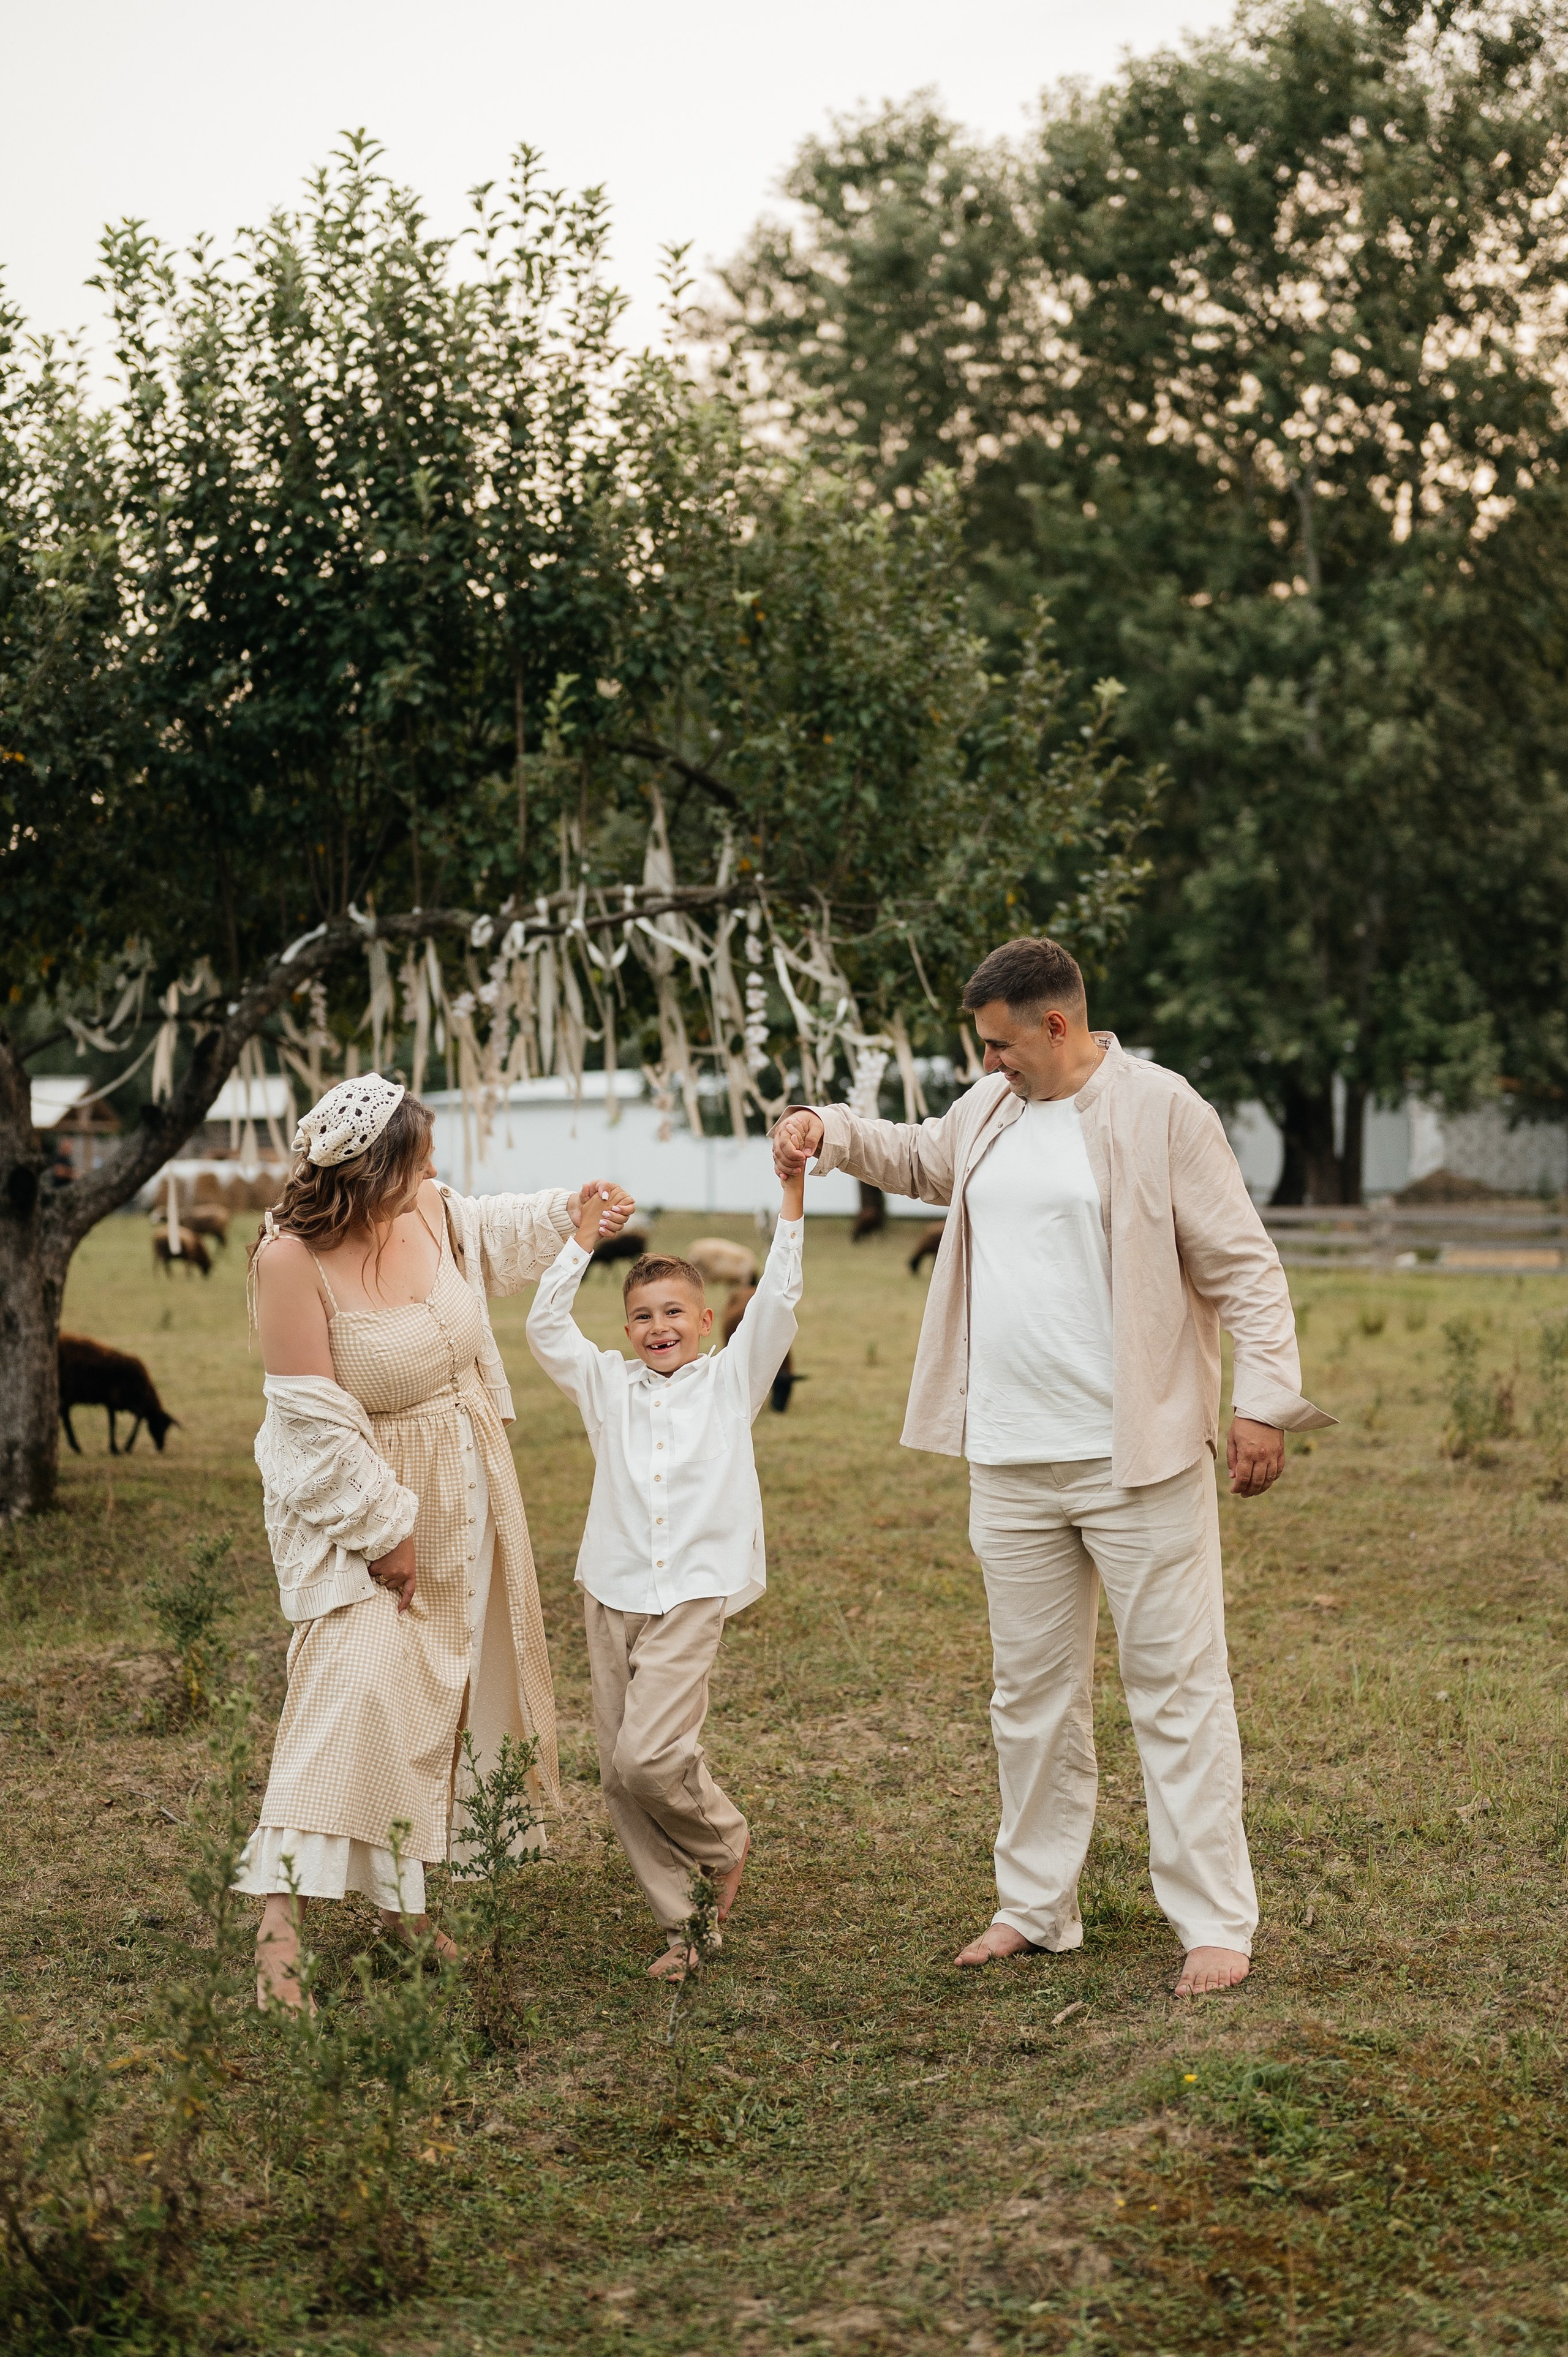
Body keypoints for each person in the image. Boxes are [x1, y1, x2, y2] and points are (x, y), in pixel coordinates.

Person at [772, 938, 1332, 1997]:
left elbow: (1243, 1264)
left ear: (1058, 1026)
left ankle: (1212, 1921)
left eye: (1000, 1045)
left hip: (1139, 1458)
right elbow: (918, 1159)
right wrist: (828, 1131)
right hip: (1010, 1459)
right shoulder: (986, 1113)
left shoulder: (1164, 1110)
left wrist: (1263, 1402)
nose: (989, 1065)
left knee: (1175, 1692)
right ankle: (1036, 1906)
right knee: (1027, 1695)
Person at [238, 1071, 634, 2008]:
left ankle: (404, 1914)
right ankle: (276, 1930)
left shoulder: (427, 1207)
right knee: (353, 1690)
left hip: (470, 1480)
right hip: (365, 1497)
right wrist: (385, 1530)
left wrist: (569, 1211)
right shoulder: (289, 1259)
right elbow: (307, 1415)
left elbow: (484, 1231)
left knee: (442, 1697)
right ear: (366, 1174)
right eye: (414, 1161)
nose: (431, 1175)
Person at [526, 1167, 806, 1977]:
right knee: (619, 1773)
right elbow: (547, 1327)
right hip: (612, 1587)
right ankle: (684, 1928)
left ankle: (723, 1839)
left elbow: (781, 1302)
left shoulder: (731, 1381)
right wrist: (582, 1239)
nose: (658, 1327)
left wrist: (790, 1198)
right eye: (643, 1316)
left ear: (707, 1320)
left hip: (692, 1589)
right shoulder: (604, 1385)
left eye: (674, 1313)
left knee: (651, 1758)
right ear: (626, 1327)